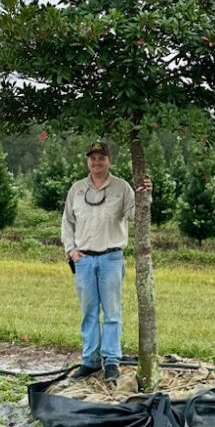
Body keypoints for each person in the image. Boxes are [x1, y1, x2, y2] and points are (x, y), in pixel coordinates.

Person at [61, 140, 151, 382]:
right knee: (89, 312)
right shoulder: (77, 190)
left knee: (112, 312)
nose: (96, 162)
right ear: (87, 161)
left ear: (109, 160)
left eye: (101, 157)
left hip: (111, 257)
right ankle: (90, 361)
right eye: (92, 158)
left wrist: (145, 194)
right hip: (85, 260)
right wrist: (72, 251)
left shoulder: (121, 188)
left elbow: (136, 215)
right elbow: (67, 222)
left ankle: (111, 360)